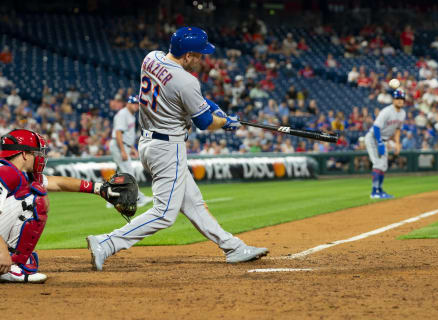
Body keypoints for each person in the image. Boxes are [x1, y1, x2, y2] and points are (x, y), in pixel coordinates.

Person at [86, 27, 268, 271]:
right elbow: (204, 122)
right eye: (199, 55)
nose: (202, 60)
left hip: (150, 142)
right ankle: (106, 243)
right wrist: (226, 122)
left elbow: (184, 96)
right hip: (167, 148)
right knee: (164, 214)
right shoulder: (187, 80)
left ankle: (233, 247)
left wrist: (213, 106)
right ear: (187, 55)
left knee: (193, 203)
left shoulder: (151, 57)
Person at [0, 129, 119, 283]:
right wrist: (1, 250)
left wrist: (98, 188)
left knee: (34, 193)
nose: (40, 157)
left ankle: (13, 261)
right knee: (36, 199)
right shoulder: (5, 172)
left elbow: (58, 183)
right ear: (24, 154)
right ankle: (14, 266)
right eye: (37, 153)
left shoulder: (20, 173)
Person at [108, 95, 152, 208]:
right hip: (119, 146)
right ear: (128, 103)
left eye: (137, 104)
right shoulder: (123, 114)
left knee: (120, 175)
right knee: (128, 174)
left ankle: (112, 199)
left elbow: (127, 135)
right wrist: (123, 150)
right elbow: (118, 133)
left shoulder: (131, 115)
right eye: (133, 103)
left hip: (124, 145)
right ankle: (138, 198)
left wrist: (131, 148)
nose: (136, 106)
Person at [365, 89, 406, 199]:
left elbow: (397, 129)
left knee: (384, 166)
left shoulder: (402, 113)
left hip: (384, 140)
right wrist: (379, 142)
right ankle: (374, 192)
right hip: (374, 138)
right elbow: (376, 127)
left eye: (402, 99)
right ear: (393, 100)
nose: (400, 101)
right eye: (398, 99)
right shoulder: (387, 111)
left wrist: (397, 144)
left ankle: (380, 190)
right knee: (378, 164)